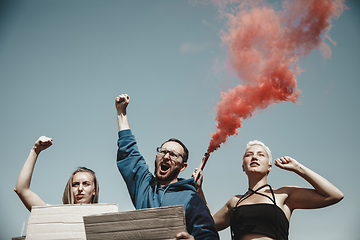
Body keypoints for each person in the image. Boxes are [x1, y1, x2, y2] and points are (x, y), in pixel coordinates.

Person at [115, 93, 219, 240]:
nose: (166, 156)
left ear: (183, 167)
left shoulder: (191, 198)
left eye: (173, 154)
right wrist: (121, 112)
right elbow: (129, 154)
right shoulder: (144, 187)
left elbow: (209, 236)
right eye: (163, 151)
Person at [194, 140, 344, 240]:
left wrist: (298, 168)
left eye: (261, 155)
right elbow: (208, 224)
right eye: (249, 155)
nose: (254, 157)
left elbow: (334, 195)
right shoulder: (235, 201)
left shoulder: (284, 195)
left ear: (269, 166)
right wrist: (199, 190)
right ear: (243, 167)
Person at [14, 136, 99, 211]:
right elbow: (21, 189)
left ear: (94, 190)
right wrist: (35, 150)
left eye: (86, 184)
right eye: (75, 184)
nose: (80, 189)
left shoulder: (105, 214)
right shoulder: (56, 214)